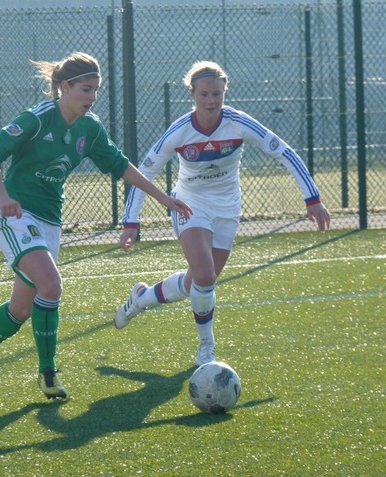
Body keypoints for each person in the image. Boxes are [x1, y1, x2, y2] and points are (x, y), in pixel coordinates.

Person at [0, 52, 193, 400]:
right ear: (64, 87)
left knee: (21, 310)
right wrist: (4, 197)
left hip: (49, 223)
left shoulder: (89, 128)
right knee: (51, 286)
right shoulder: (37, 118)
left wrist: (163, 197)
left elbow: (120, 165)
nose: (91, 97)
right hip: (17, 216)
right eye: (85, 89)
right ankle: (48, 373)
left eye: (96, 90)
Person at [114, 60, 330, 366]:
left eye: (217, 93)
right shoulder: (179, 131)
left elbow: (284, 152)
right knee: (204, 275)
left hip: (228, 209)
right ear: (192, 94)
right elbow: (144, 171)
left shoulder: (238, 122)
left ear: (224, 91)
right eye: (204, 94)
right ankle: (207, 347)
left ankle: (142, 297)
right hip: (190, 204)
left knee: (198, 283)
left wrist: (313, 199)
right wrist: (130, 221)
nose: (211, 100)